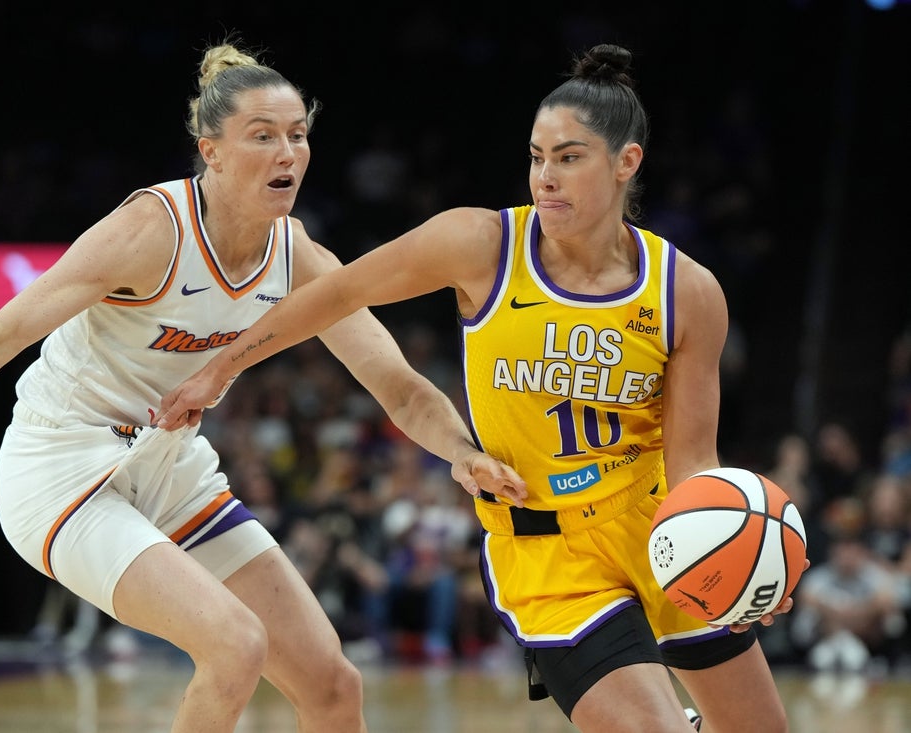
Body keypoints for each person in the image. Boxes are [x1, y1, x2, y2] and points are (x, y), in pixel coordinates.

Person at [0, 39, 528, 733]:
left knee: (331, 684)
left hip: (169, 466)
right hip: (62, 463)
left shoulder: (299, 256)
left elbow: (398, 385)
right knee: (234, 646)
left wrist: (461, 452)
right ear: (212, 152)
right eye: (263, 136)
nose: (288, 153)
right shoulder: (151, 230)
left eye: (297, 135)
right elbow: (0, 332)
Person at [156, 44, 803, 732]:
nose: (545, 177)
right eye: (537, 156)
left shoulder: (688, 292)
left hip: (657, 534)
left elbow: (693, 461)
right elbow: (337, 292)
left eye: (569, 157)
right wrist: (221, 368)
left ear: (626, 162)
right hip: (548, 554)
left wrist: (745, 553)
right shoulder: (482, 244)